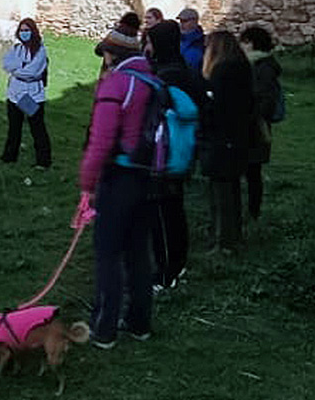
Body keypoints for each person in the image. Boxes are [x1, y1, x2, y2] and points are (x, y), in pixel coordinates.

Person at [77, 45, 161, 346]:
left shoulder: (116, 84)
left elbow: (101, 141)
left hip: (119, 177)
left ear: (112, 56)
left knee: (108, 252)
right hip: (149, 177)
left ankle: (104, 328)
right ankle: (139, 323)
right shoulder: (154, 82)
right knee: (138, 251)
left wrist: (87, 184)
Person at [145, 20, 207, 289]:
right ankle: (177, 264)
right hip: (183, 153)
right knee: (174, 211)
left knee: (162, 215)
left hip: (163, 154)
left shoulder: (165, 77)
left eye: (150, 42)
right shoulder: (187, 71)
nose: (147, 47)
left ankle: (166, 273)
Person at [201, 30, 256, 254]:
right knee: (231, 190)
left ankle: (223, 241)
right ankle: (233, 236)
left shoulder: (222, 72)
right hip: (238, 137)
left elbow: (217, 108)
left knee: (221, 192)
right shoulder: (243, 69)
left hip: (222, 139)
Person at [239, 25, 283, 223]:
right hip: (252, 123)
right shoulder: (255, 64)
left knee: (253, 171)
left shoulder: (262, 67)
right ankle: (248, 210)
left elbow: (266, 99)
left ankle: (253, 211)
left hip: (256, 125)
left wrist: (250, 114)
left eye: (244, 42)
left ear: (251, 43)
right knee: (249, 169)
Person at [0, 17, 52, 168]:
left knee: (37, 128)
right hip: (14, 94)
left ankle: (43, 161)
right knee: (14, 128)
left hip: (31, 95)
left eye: (27, 30)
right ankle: (9, 157)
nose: (24, 33)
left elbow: (33, 72)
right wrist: (20, 67)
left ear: (33, 31)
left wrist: (16, 70)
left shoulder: (40, 51)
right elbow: (6, 64)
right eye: (22, 30)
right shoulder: (16, 49)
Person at [175, 7, 206, 71]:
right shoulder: (176, 38)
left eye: (185, 21)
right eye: (181, 21)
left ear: (194, 21)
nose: (181, 24)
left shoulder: (203, 41)